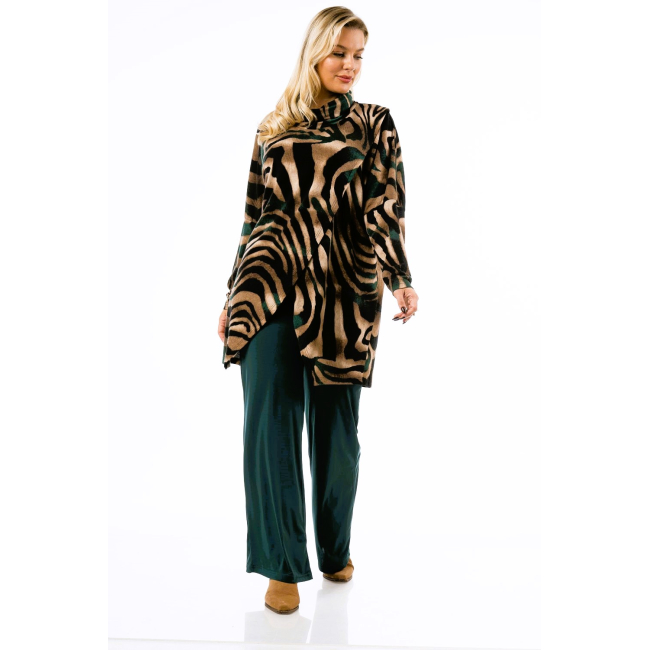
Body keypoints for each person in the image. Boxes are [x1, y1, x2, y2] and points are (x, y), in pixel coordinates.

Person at [217, 6, 419, 615]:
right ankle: (281, 567)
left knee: (337, 438)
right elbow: (253, 216)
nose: (350, 65)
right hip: (269, 285)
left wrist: (401, 278)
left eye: (359, 55)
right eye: (340, 52)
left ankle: (334, 548)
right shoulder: (273, 125)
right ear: (315, 53)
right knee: (269, 427)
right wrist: (231, 296)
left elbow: (387, 207)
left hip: (343, 292)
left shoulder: (374, 123)